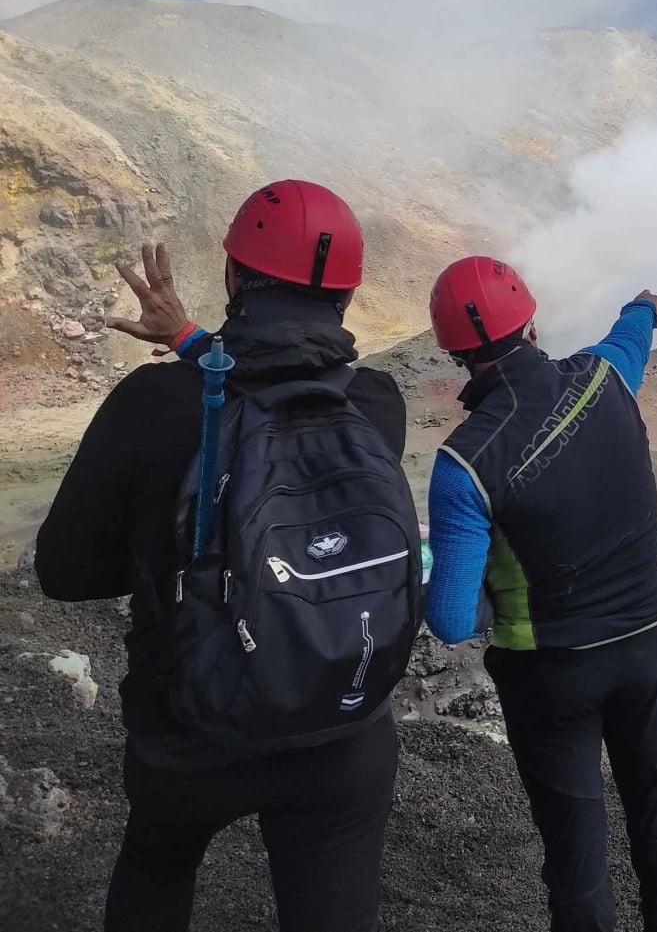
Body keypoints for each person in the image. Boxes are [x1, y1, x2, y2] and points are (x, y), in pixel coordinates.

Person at [34, 181, 407, 932]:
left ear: (235, 276)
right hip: (341, 720)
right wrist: (193, 342)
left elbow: (63, 571)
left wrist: (163, 558)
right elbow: (285, 388)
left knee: (158, 865)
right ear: (349, 292)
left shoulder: (151, 405)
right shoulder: (375, 405)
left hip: (191, 725)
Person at [422, 256, 657, 932]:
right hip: (646, 644)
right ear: (532, 320)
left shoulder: (464, 464)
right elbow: (632, 330)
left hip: (552, 672)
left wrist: (488, 585)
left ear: (454, 350)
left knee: (576, 847)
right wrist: (645, 305)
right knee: (655, 802)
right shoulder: (604, 377)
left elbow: (453, 619)